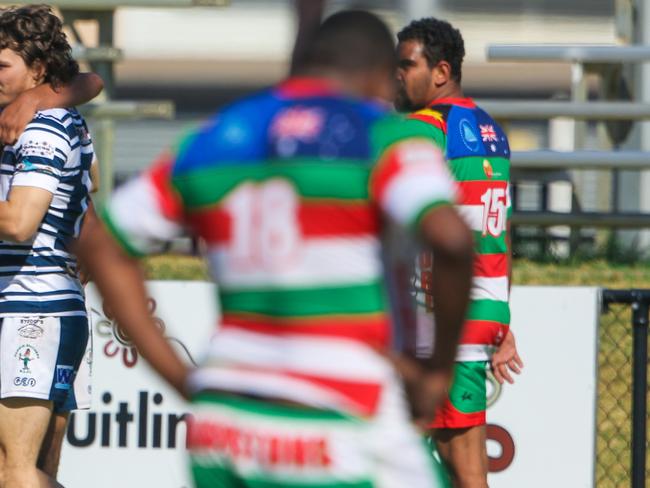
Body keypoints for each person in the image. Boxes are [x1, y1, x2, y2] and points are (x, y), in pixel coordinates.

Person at [74, 10, 475, 488]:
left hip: (224, 426)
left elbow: (101, 243)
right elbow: (452, 239)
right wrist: (436, 372)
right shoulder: (382, 136)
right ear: (379, 76)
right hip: (340, 418)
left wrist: (184, 380)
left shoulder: (217, 135)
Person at [395, 17, 524, 488]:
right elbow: (499, 233)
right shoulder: (490, 130)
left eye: (407, 66)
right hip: (480, 311)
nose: (397, 76)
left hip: (443, 321)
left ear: (441, 71)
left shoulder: (424, 130)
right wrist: (501, 319)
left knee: (464, 474)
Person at [0, 5, 99, 487]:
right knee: (26, 471)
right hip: (34, 306)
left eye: (2, 66)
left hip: (33, 311)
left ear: (38, 70)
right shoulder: (45, 117)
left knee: (14, 472)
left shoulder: (42, 126)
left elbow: (19, 222)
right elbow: (88, 190)